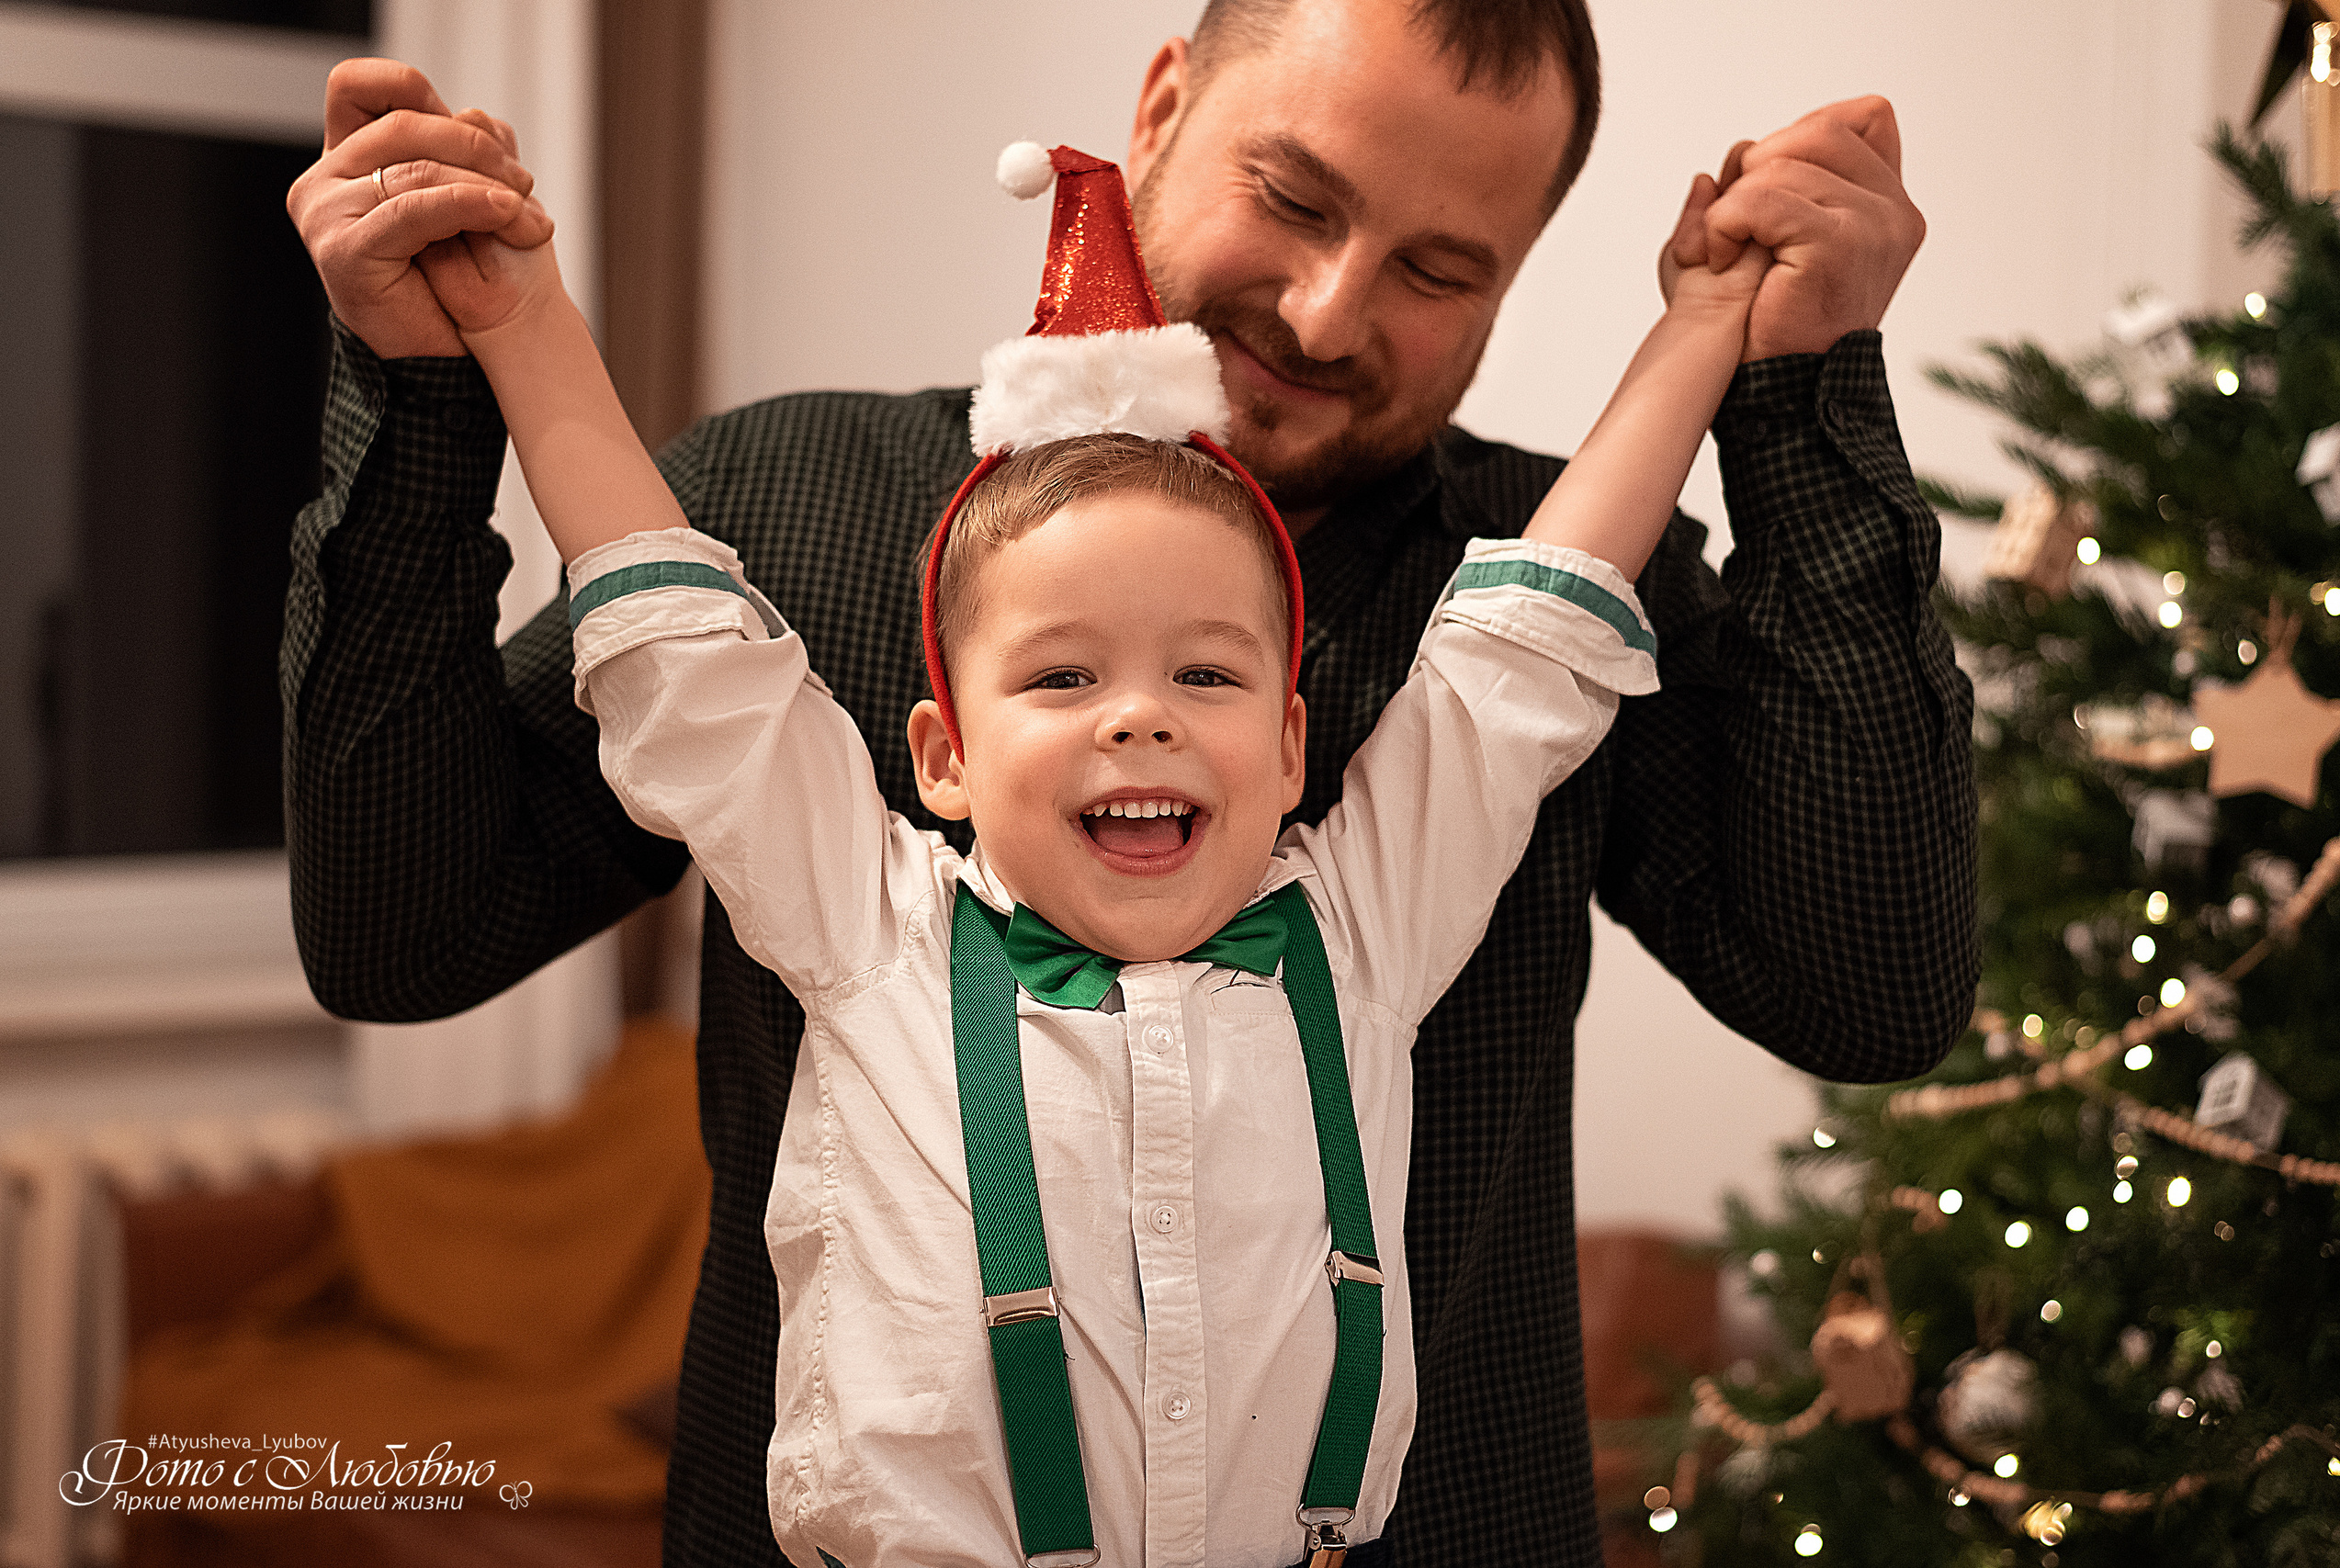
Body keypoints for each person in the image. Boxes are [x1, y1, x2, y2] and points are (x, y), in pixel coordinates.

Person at [279, 1, 1977, 1562]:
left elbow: (1872, 996)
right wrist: (432, 398)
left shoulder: (1547, 593)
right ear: (1161, 107)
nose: (1328, 312)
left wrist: (1793, 386)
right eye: (1296, 200)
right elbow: (403, 943)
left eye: (1441, 268)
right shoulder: (774, 515)